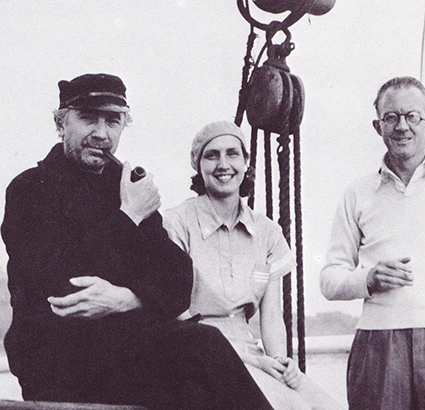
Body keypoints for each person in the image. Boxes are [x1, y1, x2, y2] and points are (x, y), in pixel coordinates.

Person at [1, 74, 274, 410]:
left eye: (113, 121)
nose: (101, 133)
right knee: (202, 346)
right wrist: (128, 215)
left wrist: (126, 298)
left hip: (124, 354)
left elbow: (177, 282)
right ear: (61, 124)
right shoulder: (30, 189)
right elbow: (62, 284)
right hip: (57, 360)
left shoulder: (126, 184)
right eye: (88, 118)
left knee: (202, 369)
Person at [320, 76, 425, 410]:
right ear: (377, 125)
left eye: (412, 116)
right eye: (391, 117)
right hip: (378, 344)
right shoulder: (358, 193)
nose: (402, 127)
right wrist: (368, 279)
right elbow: (329, 277)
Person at [163, 121, 343, 410]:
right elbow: (173, 311)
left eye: (232, 153)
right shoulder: (176, 224)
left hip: (250, 351)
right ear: (198, 165)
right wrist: (250, 361)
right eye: (212, 155)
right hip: (194, 351)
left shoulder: (268, 232)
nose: (223, 164)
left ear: (246, 161)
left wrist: (280, 362)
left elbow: (271, 317)